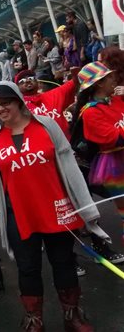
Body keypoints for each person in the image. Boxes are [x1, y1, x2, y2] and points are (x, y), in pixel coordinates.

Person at [0, 81, 109, 331]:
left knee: (64, 263)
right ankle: (34, 320)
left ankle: (72, 316)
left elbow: (68, 162)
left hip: (57, 208)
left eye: (6, 102)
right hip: (19, 213)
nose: (1, 108)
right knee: (27, 268)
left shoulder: (46, 125)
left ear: (18, 100)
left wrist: (84, 204)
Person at [73, 62, 124, 246]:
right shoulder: (90, 112)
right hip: (115, 164)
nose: (114, 79)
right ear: (100, 83)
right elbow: (112, 138)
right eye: (110, 76)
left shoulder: (117, 100)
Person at [13, 69, 78, 138]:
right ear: (17, 87)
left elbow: (76, 81)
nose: (28, 81)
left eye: (31, 78)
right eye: (22, 81)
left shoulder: (54, 95)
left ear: (38, 82)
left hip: (66, 144)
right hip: (40, 146)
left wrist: (76, 71)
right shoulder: (17, 108)